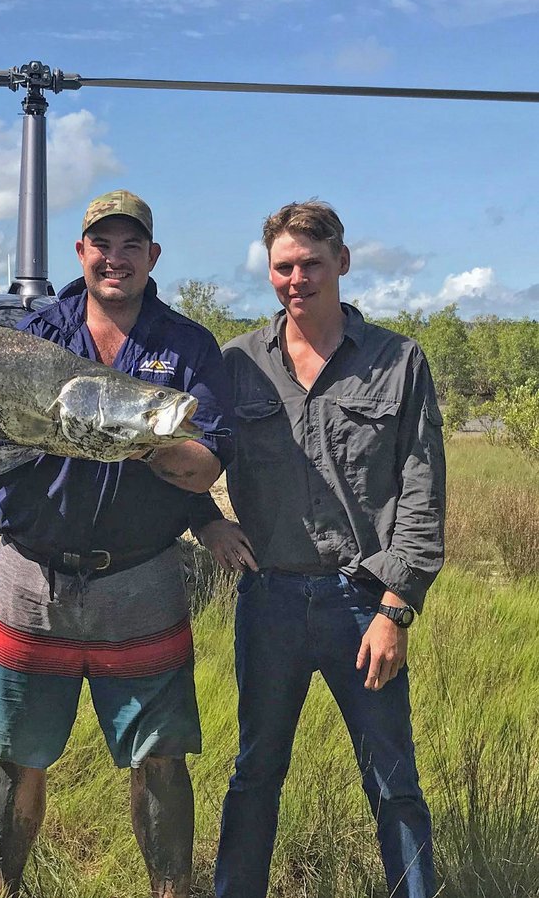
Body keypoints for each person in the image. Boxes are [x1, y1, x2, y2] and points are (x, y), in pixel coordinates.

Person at [0, 189, 234, 898]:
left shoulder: (187, 348)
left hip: (142, 582)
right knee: (14, 756)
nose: (114, 258)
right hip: (30, 580)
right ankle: (2, 890)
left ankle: (171, 892)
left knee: (161, 759)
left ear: (152, 256)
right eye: (101, 244)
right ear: (81, 253)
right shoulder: (34, 338)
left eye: (130, 246)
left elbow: (206, 460)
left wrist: (128, 431)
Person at [196, 201, 445, 898]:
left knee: (393, 779)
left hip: (363, 604)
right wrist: (203, 520)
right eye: (283, 266)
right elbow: (183, 452)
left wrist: (397, 609)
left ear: (342, 261)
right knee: (254, 774)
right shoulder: (236, 363)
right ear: (268, 271)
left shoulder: (398, 362)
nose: (296, 279)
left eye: (310, 263)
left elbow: (423, 490)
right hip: (269, 602)